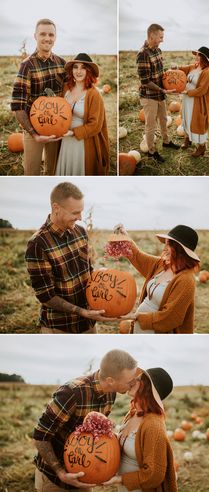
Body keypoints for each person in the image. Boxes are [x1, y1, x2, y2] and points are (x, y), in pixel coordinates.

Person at [33, 349, 138, 492]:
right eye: (129, 381)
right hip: (54, 477)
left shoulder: (111, 393)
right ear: (110, 381)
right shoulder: (72, 393)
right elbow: (40, 435)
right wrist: (60, 472)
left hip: (84, 473)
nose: (132, 384)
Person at [25, 182, 116, 334]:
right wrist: (80, 311)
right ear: (56, 208)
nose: (80, 218)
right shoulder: (37, 244)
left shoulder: (80, 232)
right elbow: (46, 296)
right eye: (75, 213)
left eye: (81, 212)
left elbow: (88, 270)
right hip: (60, 327)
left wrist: (101, 277)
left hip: (89, 322)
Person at [114, 224, 200, 334]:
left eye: (169, 245)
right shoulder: (161, 264)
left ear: (180, 250)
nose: (164, 248)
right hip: (140, 329)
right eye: (166, 243)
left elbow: (170, 318)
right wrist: (125, 237)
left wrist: (137, 317)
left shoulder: (186, 280)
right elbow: (137, 256)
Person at [103, 367, 177, 492]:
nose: (131, 381)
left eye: (137, 380)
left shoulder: (153, 426)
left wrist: (120, 479)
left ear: (147, 388)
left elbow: (154, 475)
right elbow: (128, 444)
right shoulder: (133, 413)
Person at [11, 18, 66, 175]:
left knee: (53, 170)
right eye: (43, 34)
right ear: (35, 36)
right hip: (33, 129)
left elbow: (67, 95)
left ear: (55, 37)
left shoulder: (61, 63)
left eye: (51, 34)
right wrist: (33, 133)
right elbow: (17, 105)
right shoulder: (27, 65)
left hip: (57, 127)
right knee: (32, 171)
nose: (47, 38)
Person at [55, 53, 109, 176]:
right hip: (65, 138)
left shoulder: (94, 95)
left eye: (83, 67)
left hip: (82, 141)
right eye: (75, 67)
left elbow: (95, 125)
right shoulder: (66, 88)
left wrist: (73, 132)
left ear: (88, 71)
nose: (78, 71)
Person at [136, 23, 180, 163]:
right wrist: (161, 89)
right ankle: (151, 151)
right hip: (149, 96)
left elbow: (160, 73)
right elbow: (145, 81)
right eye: (160, 37)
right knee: (151, 125)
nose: (162, 40)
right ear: (152, 35)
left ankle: (166, 142)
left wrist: (171, 72)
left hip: (161, 94)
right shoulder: (143, 54)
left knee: (164, 119)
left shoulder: (158, 51)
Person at [179, 47, 209, 157]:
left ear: (204, 58)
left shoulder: (206, 73)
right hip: (187, 100)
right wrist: (175, 68)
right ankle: (187, 139)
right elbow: (183, 69)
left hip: (196, 102)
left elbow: (202, 90)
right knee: (186, 118)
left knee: (197, 123)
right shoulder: (194, 67)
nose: (196, 57)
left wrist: (187, 92)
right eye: (196, 54)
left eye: (199, 55)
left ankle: (201, 147)